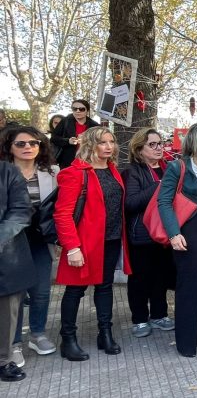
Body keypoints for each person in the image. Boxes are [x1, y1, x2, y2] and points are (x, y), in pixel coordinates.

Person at [54, 126, 130, 362]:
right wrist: (72, 248)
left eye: (111, 141)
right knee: (75, 290)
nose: (109, 146)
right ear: (89, 145)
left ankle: (104, 333)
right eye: (102, 142)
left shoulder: (112, 170)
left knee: (105, 287)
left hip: (111, 239)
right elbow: (62, 214)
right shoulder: (75, 172)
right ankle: (67, 339)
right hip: (84, 242)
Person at [158, 124, 197, 358]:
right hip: (190, 229)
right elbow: (163, 202)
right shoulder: (178, 167)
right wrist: (174, 233)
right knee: (189, 286)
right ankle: (186, 343)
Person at [1, 127, 59, 362]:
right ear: (9, 147)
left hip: (40, 238)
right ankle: (12, 343)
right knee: (14, 295)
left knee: (42, 291)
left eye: (34, 143)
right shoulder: (4, 173)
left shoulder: (53, 172)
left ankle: (37, 334)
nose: (28, 148)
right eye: (21, 144)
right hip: (12, 240)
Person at [123, 128, 175, 339]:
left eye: (160, 143)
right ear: (139, 149)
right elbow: (131, 203)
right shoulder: (132, 172)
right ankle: (140, 318)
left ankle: (159, 314)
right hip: (142, 234)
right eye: (152, 144)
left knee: (161, 276)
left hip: (166, 233)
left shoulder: (168, 168)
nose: (158, 148)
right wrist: (157, 186)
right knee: (140, 278)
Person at [0, 160, 34, 381]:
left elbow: (21, 209)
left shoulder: (8, 171)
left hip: (7, 253)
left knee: (6, 312)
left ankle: (3, 360)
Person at [50, 99, 99, 169]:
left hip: (88, 161)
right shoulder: (65, 121)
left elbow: (99, 142)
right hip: (67, 162)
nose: (77, 111)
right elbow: (54, 138)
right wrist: (68, 141)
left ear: (87, 111)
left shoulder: (94, 125)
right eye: (74, 109)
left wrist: (86, 140)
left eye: (81, 109)